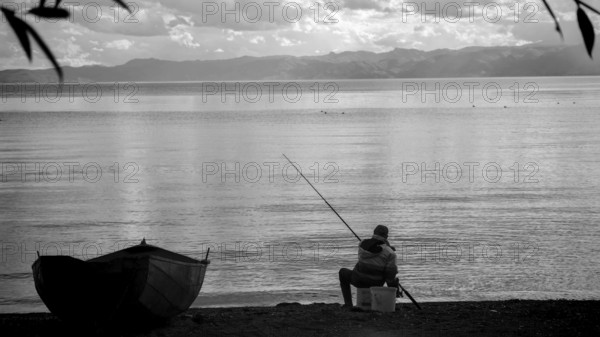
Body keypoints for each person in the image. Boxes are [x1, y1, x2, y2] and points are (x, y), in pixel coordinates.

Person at [338, 225, 399, 307]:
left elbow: (375, 248)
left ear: (374, 233)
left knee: (343, 272)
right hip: (376, 284)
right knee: (391, 274)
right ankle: (392, 300)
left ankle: (348, 304)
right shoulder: (390, 253)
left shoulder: (362, 244)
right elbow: (390, 276)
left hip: (358, 280)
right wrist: (395, 285)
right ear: (386, 236)